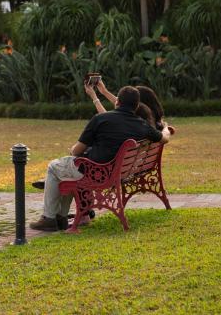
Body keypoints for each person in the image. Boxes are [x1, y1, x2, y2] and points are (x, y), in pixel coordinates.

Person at [29, 85, 172, 231]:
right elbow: (164, 138)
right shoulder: (142, 125)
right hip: (118, 173)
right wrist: (167, 129)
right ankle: (61, 218)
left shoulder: (101, 119)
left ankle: (49, 218)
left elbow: (76, 150)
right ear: (136, 106)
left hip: (94, 172)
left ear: (117, 102)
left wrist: (73, 151)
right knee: (66, 170)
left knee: (55, 166)